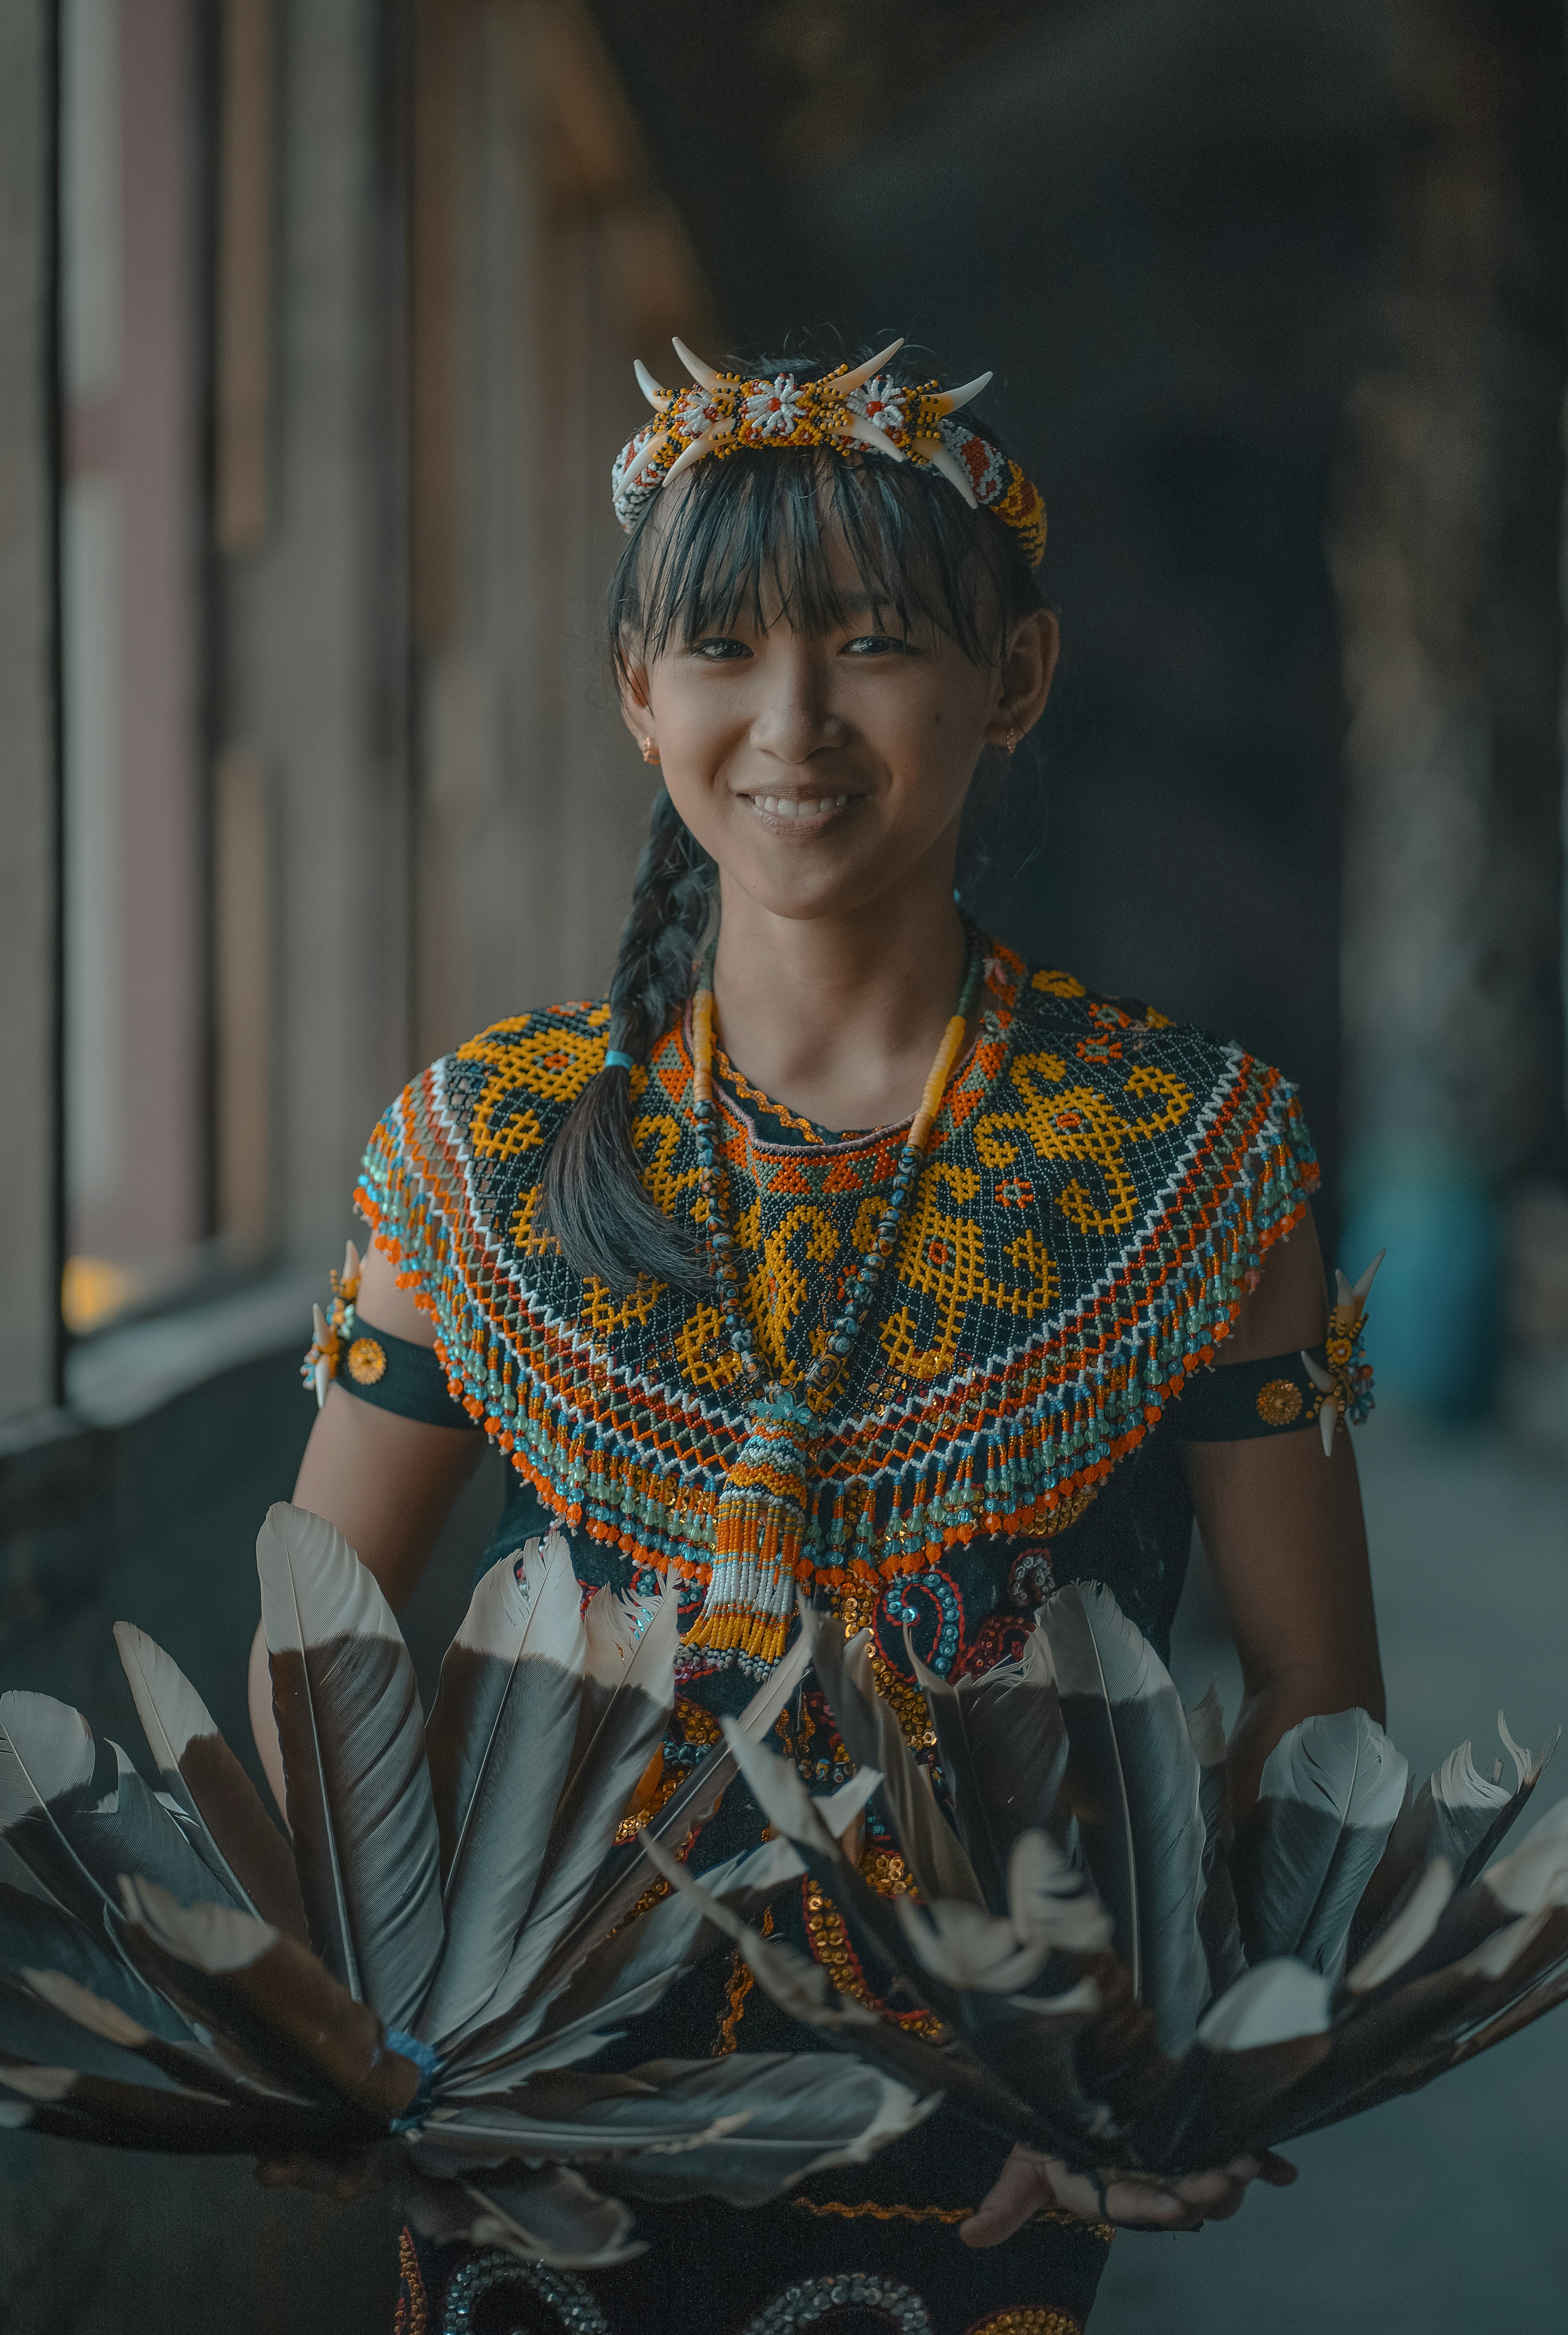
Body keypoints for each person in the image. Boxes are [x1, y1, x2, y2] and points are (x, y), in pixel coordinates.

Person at [253, 336, 1381, 2334]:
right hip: (531, 2130)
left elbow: (1309, 1684)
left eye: (873, 646)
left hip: (991, 2152)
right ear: (637, 694)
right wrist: (346, 2015)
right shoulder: (484, 1153)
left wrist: (1178, 2048)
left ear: (1013, 678)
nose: (793, 723)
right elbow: (317, 1637)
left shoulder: (1189, 1159)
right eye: (720, 653)